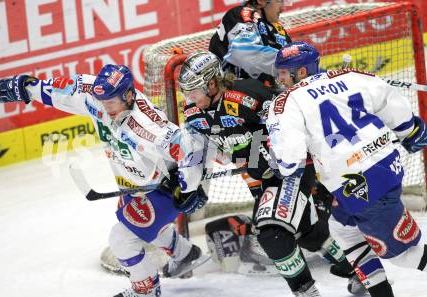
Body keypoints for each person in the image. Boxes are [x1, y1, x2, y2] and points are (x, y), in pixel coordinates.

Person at [0, 65, 211, 297]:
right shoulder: (97, 95)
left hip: (165, 186)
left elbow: (190, 149)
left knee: (122, 239)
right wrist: (26, 87)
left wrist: (189, 188)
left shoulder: (146, 124)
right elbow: (62, 89)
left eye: (111, 101)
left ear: (128, 95)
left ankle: (146, 292)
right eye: (102, 100)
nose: (106, 107)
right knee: (140, 225)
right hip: (134, 184)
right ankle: (186, 254)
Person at [177, 50, 365, 297]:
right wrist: (189, 185)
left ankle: (307, 293)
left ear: (212, 83)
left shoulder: (246, 95)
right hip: (260, 180)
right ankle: (362, 273)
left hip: (290, 171)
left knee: (271, 234)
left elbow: (291, 119)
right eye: (186, 92)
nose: (189, 98)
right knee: (307, 233)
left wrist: (268, 152)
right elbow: (198, 149)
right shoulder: (193, 112)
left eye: (194, 91)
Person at [267, 41, 427, 296]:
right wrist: (409, 130)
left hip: (358, 184)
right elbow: (387, 97)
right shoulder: (350, 75)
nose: (280, 79)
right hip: (387, 166)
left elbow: (289, 157)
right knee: (343, 230)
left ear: (301, 72)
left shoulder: (286, 102)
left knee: (402, 254)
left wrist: (283, 165)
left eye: (284, 73)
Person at [209, 0, 292, 86]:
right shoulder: (242, 14)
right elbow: (244, 53)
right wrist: (289, 64)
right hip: (231, 91)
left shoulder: (278, 29)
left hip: (264, 93)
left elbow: (293, 61)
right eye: (279, 1)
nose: (283, 8)